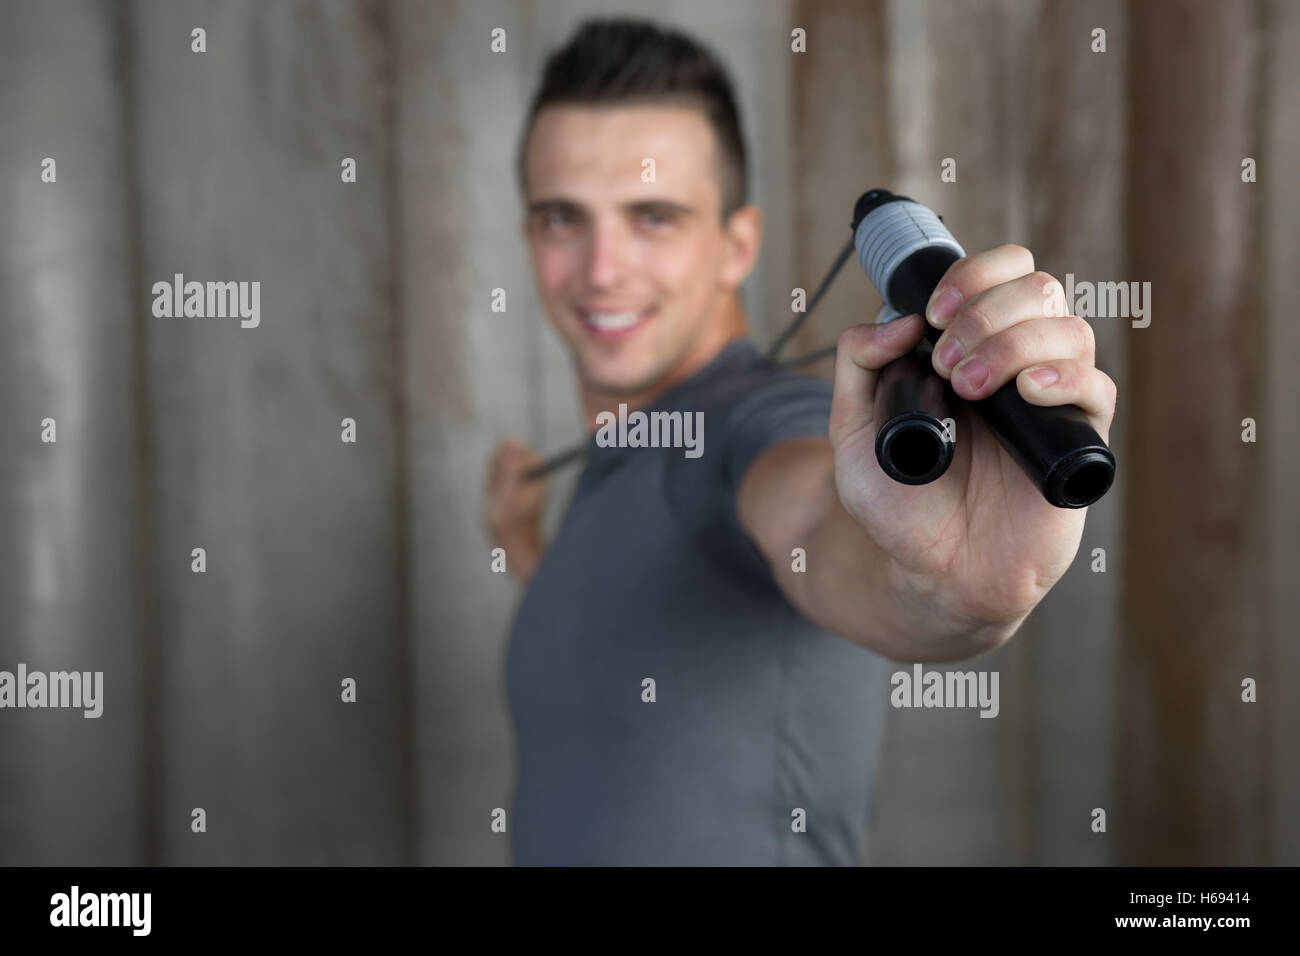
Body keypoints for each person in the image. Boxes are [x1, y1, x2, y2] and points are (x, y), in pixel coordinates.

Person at [485, 17, 1116, 866]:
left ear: (735, 245)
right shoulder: (625, 455)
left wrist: (947, 587)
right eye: (563, 218)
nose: (601, 268)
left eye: (653, 217)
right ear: (530, 236)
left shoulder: (760, 427)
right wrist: (526, 545)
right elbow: (625, 633)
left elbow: (816, 524)